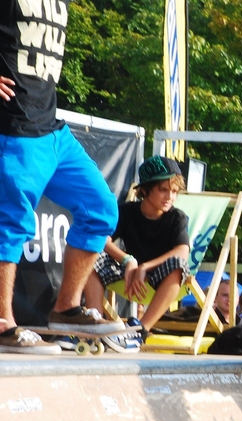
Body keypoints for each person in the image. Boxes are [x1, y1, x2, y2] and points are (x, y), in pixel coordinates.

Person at [1, 3, 125, 354]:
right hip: (14, 129)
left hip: (54, 133)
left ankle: (66, 309)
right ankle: (3, 321)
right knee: (10, 224)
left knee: (100, 209)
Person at [82, 155, 189, 342]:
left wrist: (144, 267)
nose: (170, 197)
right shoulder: (126, 211)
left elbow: (182, 251)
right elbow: (101, 239)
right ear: (145, 190)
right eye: (164, 190)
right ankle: (96, 325)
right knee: (90, 254)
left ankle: (140, 330)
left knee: (178, 265)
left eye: (174, 191)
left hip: (161, 276)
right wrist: (128, 260)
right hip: (129, 273)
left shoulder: (177, 217)